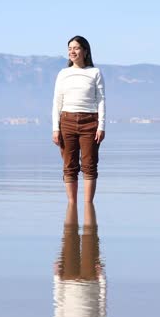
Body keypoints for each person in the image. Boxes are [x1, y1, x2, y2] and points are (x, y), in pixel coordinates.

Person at [52, 35, 106, 204]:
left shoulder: (94, 72)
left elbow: (101, 100)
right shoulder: (63, 74)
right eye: (69, 48)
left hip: (90, 121)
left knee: (89, 165)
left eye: (75, 48)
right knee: (69, 166)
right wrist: (55, 128)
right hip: (66, 121)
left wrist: (101, 126)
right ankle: (72, 206)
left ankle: (88, 206)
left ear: (85, 51)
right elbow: (57, 102)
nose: (72, 51)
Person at [53, 202, 106, 317]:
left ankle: (74, 203)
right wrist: (57, 277)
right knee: (75, 235)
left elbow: (102, 305)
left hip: (82, 280)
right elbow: (59, 303)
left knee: (83, 235)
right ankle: (78, 203)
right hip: (80, 281)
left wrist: (101, 279)